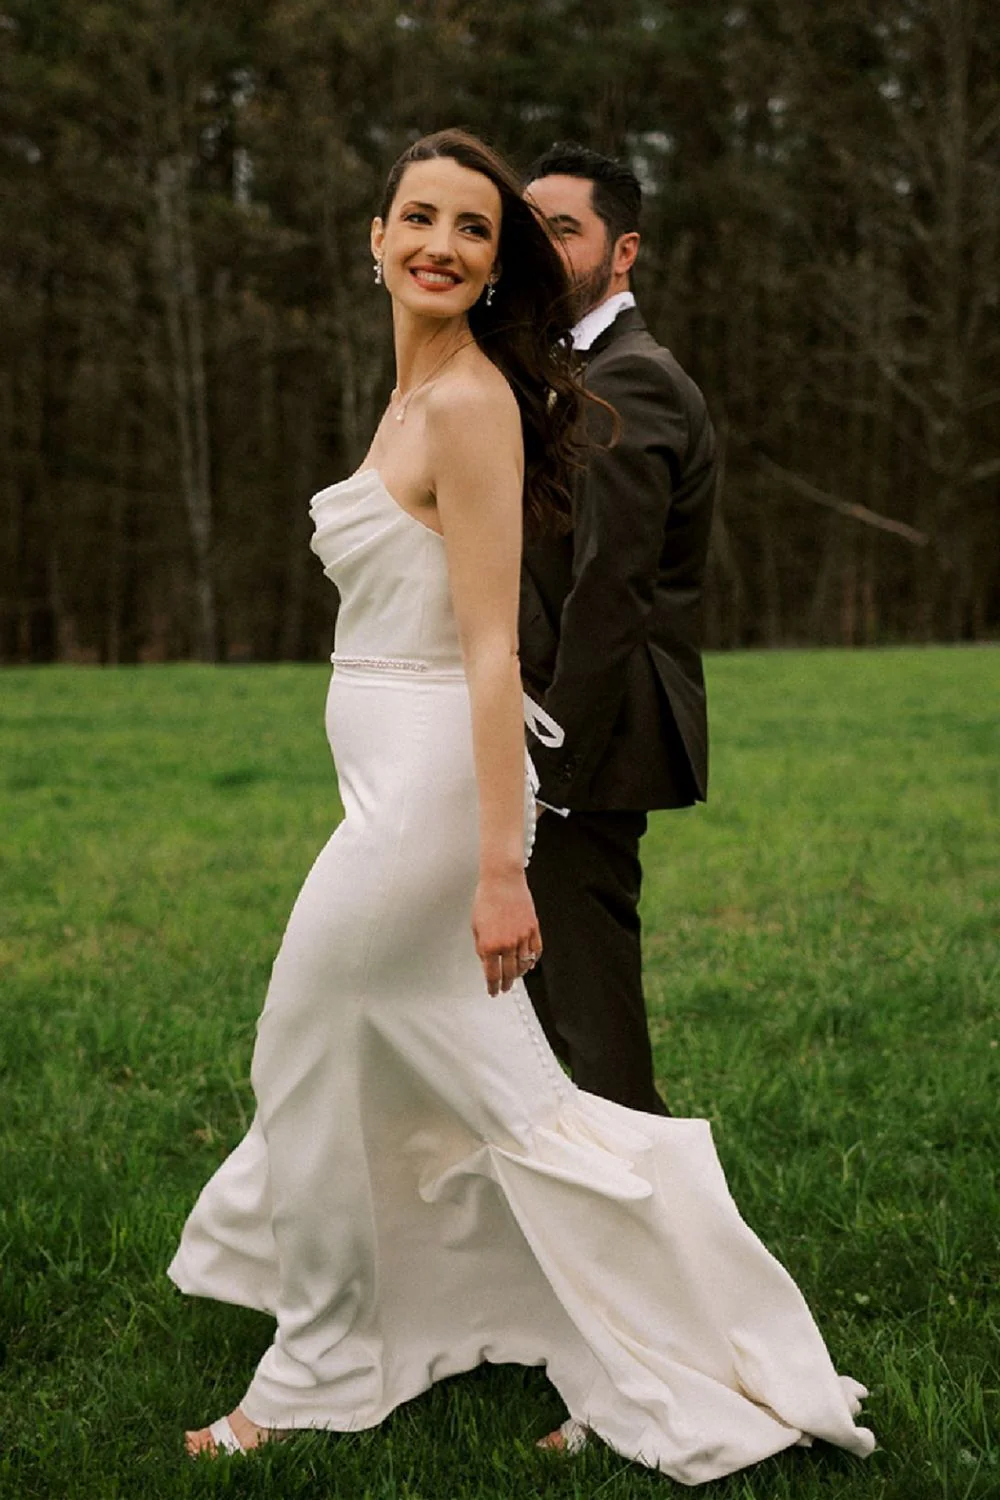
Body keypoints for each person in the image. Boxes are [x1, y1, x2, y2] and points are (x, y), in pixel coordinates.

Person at [170, 129, 874, 1482]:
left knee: (305, 1060)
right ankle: (623, 1347)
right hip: (385, 774)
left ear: (497, 269)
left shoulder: (475, 405)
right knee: (484, 1091)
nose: (442, 242)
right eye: (417, 217)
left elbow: (494, 647)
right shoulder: (407, 397)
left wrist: (504, 864)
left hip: (434, 798)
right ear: (371, 239)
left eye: (475, 230)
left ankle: (318, 1373)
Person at [520, 143, 717, 1115]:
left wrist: (545, 771)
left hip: (585, 747)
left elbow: (610, 591)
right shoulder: (566, 369)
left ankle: (654, 1244)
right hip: (554, 740)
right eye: (532, 229)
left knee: (592, 1033)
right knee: (537, 1017)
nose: (541, 248)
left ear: (622, 249)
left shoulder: (629, 378)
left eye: (565, 229)